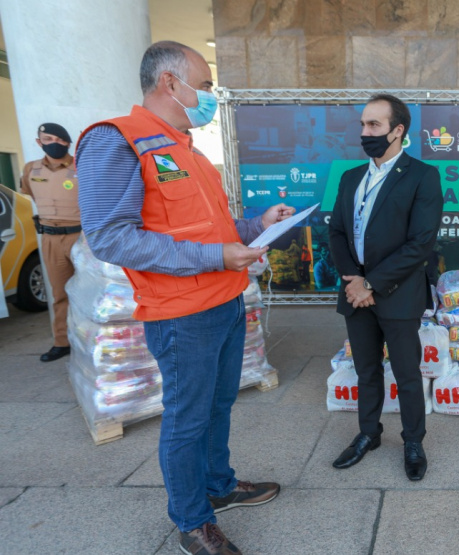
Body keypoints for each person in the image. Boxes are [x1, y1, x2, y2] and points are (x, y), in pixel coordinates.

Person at [77, 41, 293, 555]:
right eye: (206, 83)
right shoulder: (117, 140)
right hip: (181, 316)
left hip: (225, 302)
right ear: (171, 82)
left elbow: (213, 231)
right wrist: (219, 256)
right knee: (187, 418)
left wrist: (256, 227)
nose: (211, 96)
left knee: (218, 406)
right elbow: (111, 236)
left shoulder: (188, 150)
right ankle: (192, 521)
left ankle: (218, 487)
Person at [328, 93, 443, 481]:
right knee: (366, 370)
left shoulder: (422, 176)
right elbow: (338, 232)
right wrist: (354, 281)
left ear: (398, 131)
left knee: (407, 373)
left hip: (397, 294)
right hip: (355, 292)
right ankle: (368, 434)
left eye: (374, 125)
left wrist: (372, 284)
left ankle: (413, 441)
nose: (365, 132)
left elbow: (420, 243)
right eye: (363, 124)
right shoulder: (350, 178)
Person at [19, 123, 80, 362]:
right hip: (51, 238)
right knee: (59, 293)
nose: (53, 142)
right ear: (39, 142)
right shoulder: (31, 170)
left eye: (59, 139)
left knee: (92, 291)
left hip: (82, 238)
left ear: (67, 142)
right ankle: (62, 342)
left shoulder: (82, 165)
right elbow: (31, 195)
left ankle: (94, 338)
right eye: (47, 138)